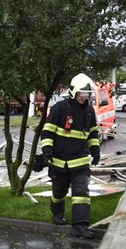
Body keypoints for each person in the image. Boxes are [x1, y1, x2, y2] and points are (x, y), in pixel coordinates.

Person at [35, 73, 101, 239]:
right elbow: (47, 132)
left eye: (87, 94)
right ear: (73, 92)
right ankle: (57, 214)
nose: (84, 97)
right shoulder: (59, 109)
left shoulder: (89, 111)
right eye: (81, 93)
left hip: (80, 161)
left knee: (81, 194)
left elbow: (93, 133)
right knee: (59, 193)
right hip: (59, 161)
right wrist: (47, 151)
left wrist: (95, 150)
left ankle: (80, 225)